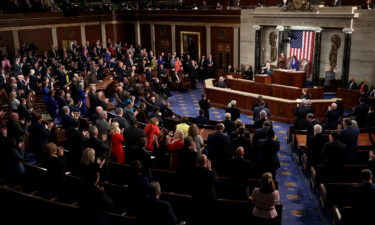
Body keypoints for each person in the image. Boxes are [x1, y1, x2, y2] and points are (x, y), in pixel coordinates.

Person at [190, 154, 219, 225]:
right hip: (209, 201)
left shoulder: (193, 172)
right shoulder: (212, 173)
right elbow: (217, 183)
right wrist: (210, 169)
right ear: (206, 162)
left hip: (196, 199)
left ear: (198, 162)